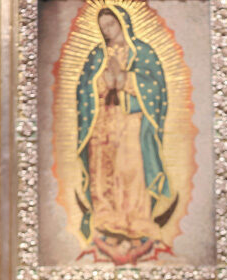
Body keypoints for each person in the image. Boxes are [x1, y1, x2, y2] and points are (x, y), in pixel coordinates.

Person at [75, 5, 176, 264]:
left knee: (130, 171)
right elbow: (84, 89)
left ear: (123, 23)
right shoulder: (97, 55)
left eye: (112, 25)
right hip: (103, 123)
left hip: (131, 121)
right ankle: (107, 221)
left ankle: (136, 223)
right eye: (104, 27)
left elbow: (156, 87)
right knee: (102, 171)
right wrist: (101, 82)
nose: (108, 31)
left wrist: (127, 79)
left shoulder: (142, 52)